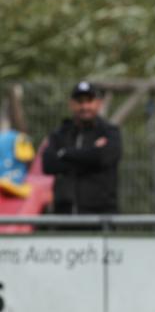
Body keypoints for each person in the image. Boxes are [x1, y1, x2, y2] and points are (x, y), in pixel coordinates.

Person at [42, 81, 122, 215]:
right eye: (80, 101)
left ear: (98, 103)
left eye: (89, 101)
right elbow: (48, 164)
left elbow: (103, 158)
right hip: (64, 216)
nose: (84, 106)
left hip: (100, 216)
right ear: (71, 104)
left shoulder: (109, 132)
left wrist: (65, 153)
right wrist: (90, 155)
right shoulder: (60, 133)